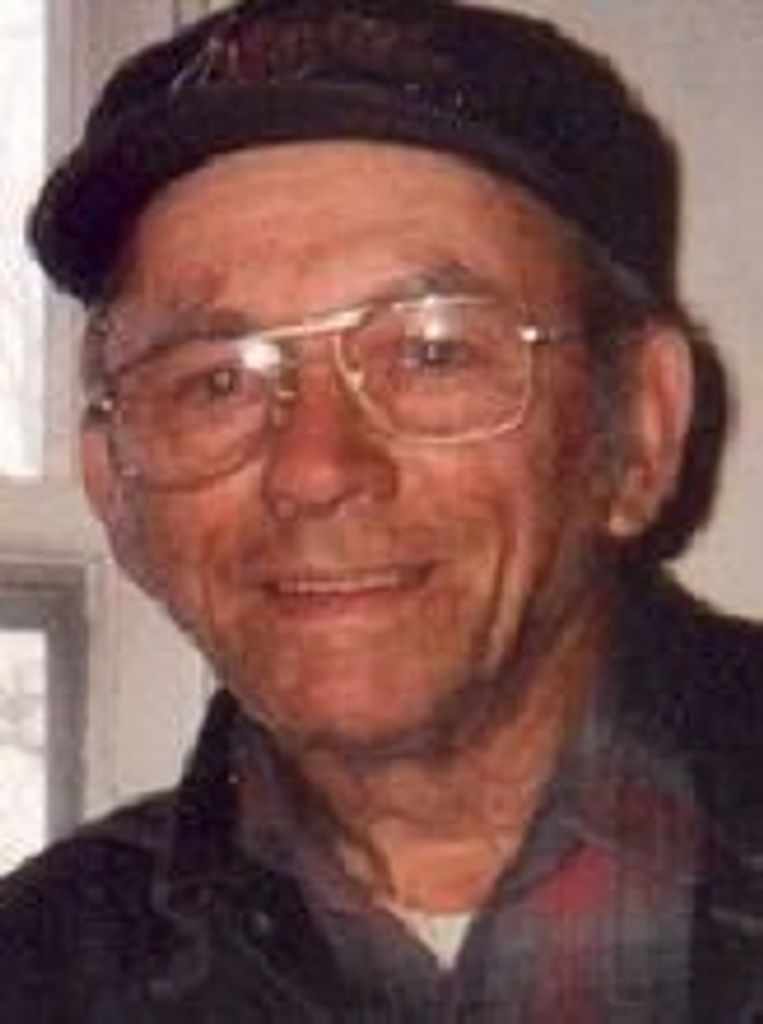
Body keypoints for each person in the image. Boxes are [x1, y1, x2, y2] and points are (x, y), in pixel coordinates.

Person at [1, 1, 761, 1020]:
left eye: (432, 352)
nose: (315, 469)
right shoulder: (36, 973)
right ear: (113, 484)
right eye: (215, 381)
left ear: (639, 429)